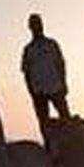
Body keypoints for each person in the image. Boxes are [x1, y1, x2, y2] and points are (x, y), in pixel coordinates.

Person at [20, 13, 70, 141]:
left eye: (39, 23)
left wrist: (64, 83)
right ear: (30, 27)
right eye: (34, 24)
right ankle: (49, 148)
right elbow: (26, 72)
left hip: (55, 87)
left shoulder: (52, 44)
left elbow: (61, 65)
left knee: (65, 118)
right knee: (43, 122)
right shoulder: (28, 49)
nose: (37, 27)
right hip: (38, 91)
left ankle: (70, 146)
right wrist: (31, 91)